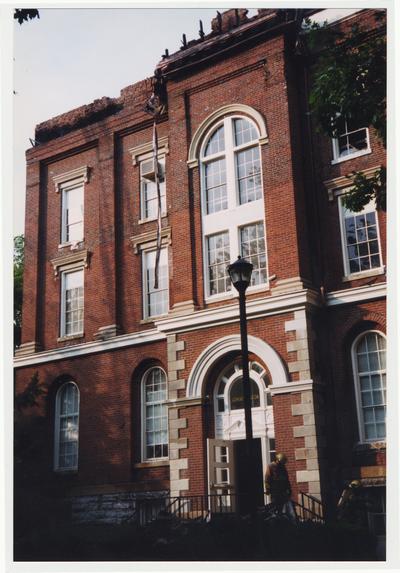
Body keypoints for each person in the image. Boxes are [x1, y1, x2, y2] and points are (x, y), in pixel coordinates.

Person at [265, 452, 296, 521]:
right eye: (282, 462)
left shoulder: (283, 467)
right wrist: (268, 489)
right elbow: (267, 479)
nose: (283, 464)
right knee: (275, 506)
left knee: (282, 507)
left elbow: (286, 479)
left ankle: (281, 520)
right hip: (275, 490)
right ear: (278, 460)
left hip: (283, 491)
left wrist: (289, 489)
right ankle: (274, 519)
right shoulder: (271, 466)